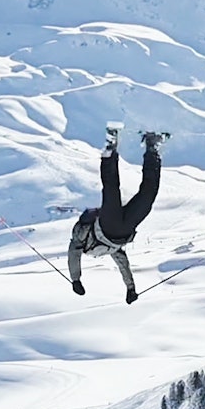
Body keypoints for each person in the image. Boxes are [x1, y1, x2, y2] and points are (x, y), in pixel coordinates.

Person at [68, 125, 166, 304]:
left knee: (112, 190)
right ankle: (152, 148)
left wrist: (76, 279)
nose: (96, 255)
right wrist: (130, 288)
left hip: (107, 225)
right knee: (148, 196)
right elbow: (123, 265)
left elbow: (73, 255)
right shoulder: (114, 250)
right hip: (126, 229)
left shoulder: (82, 243)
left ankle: (110, 149)